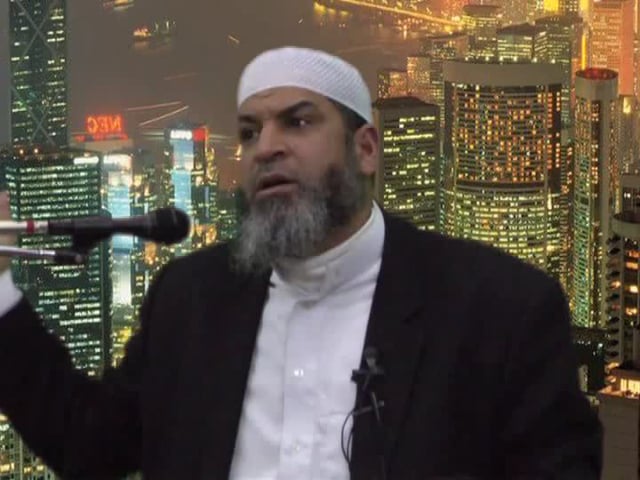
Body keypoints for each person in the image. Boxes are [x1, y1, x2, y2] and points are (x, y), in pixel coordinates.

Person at [0, 46, 601, 480]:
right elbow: (87, 444)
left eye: (299, 121)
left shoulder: (498, 310)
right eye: (248, 131)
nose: (267, 147)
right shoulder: (192, 298)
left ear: (366, 149)